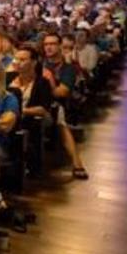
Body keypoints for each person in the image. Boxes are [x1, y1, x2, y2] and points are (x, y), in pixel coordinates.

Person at [41, 33, 88, 179]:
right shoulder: (40, 63)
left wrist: (50, 80)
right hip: (35, 100)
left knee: (61, 121)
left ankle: (77, 162)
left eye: (53, 44)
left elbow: (62, 92)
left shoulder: (68, 68)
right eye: (46, 44)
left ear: (60, 46)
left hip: (57, 104)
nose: (48, 47)